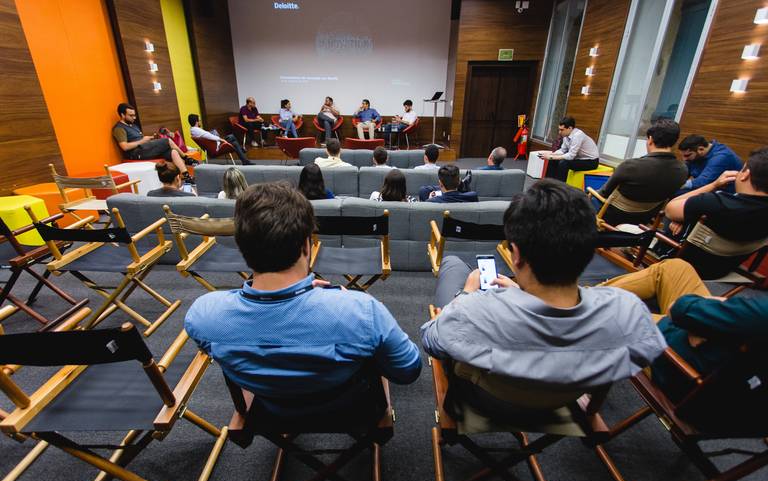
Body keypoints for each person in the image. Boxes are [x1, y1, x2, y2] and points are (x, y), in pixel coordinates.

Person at [185, 182, 421, 416]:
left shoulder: (204, 315)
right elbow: (408, 371)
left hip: (271, 411)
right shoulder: (363, 311)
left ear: (240, 245)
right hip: (345, 410)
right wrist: (342, 300)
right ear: (306, 246)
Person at [421, 180, 666, 404]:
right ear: (590, 251)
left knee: (452, 265)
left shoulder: (472, 310)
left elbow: (431, 341)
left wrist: (466, 294)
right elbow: (646, 350)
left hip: (488, 404)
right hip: (563, 404)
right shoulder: (627, 312)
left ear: (516, 254)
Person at [602, 258, 768, 402]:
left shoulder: (762, 314)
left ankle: (588, 303)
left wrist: (707, 314)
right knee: (676, 267)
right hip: (721, 377)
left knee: (609, 310)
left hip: (676, 364)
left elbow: (678, 309)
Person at [662, 147, 768, 279]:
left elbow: (670, 209)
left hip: (683, 267)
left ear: (746, 174)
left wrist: (713, 185)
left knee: (670, 220)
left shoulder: (715, 203)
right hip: (722, 271)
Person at [595, 119, 688, 212]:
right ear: (674, 142)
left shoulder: (629, 166)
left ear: (650, 139)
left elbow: (603, 193)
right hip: (647, 217)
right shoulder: (682, 170)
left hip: (612, 215)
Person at [112, 103, 192, 175]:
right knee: (167, 141)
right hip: (136, 154)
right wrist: (142, 141)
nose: (134, 117)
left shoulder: (133, 126)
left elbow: (140, 140)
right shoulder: (119, 128)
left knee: (173, 152)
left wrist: (150, 138)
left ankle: (187, 177)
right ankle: (186, 158)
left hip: (144, 150)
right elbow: (124, 147)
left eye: (134, 115)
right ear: (122, 115)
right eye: (131, 115)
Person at [537, 116, 599, 182]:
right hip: (579, 158)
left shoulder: (578, 136)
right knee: (552, 160)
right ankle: (548, 183)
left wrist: (552, 157)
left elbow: (571, 156)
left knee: (564, 163)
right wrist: (550, 155)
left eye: (562, 130)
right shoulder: (566, 136)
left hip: (591, 162)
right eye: (559, 129)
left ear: (570, 128)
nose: (559, 132)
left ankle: (559, 186)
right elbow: (562, 150)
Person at [678, 134, 742, 194]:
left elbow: (703, 181)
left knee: (679, 194)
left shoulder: (721, 157)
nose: (684, 159)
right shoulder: (697, 154)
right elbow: (684, 172)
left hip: (726, 194)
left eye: (687, 155)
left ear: (701, 149)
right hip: (709, 190)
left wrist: (678, 185)